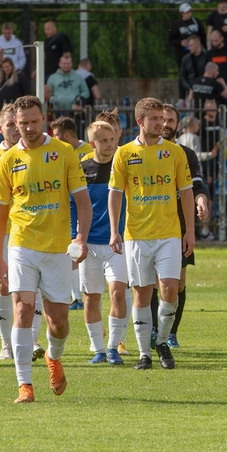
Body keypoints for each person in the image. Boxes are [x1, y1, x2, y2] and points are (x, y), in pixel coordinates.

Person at [0, 95, 91, 403]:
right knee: (21, 308)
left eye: (34, 121)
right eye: (23, 123)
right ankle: (25, 385)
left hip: (58, 249)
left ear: (43, 118)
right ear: (15, 124)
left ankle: (53, 357)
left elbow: (83, 203)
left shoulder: (63, 153)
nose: (29, 128)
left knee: (58, 323)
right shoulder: (8, 160)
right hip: (21, 244)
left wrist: (81, 238)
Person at [108, 98, 194, 370]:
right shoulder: (123, 153)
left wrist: (189, 230)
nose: (161, 123)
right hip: (136, 235)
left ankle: (163, 341)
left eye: (163, 118)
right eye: (155, 118)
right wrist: (114, 230)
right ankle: (144, 353)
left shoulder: (175, 152)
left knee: (170, 289)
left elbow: (187, 193)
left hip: (169, 234)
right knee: (142, 294)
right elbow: (115, 194)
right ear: (140, 121)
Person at [0, 104, 45, 361]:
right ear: (1, 127)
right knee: (4, 286)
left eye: (18, 124)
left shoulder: (35, 151)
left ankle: (32, 341)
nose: (16, 130)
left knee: (33, 287)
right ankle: (6, 345)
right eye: (10, 125)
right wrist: (1, 167)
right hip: (3, 229)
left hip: (32, 227)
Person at [150, 105, 210, 349]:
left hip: (179, 226)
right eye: (161, 119)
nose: (165, 124)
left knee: (178, 283)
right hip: (149, 225)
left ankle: (171, 331)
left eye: (170, 120)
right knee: (152, 283)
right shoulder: (143, 152)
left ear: (178, 125)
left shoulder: (186, 154)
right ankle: (154, 330)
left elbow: (196, 187)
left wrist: (201, 201)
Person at [74, 120, 128, 365]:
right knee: (91, 298)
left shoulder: (124, 165)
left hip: (117, 243)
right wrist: (76, 239)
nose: (109, 144)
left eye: (112, 139)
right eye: (103, 140)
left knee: (118, 293)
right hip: (89, 244)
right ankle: (97, 349)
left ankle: (113, 347)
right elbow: (73, 206)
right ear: (92, 143)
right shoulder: (81, 169)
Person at [51, 115, 94, 311]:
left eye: (57, 136)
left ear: (66, 136)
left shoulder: (89, 151)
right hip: (66, 207)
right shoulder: (56, 152)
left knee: (85, 249)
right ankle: (76, 297)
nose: (54, 140)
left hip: (87, 207)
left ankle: (84, 293)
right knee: (71, 250)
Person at [168, 3, 206, 71]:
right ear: (182, 13)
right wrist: (180, 43)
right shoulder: (176, 25)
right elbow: (171, 40)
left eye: (189, 11)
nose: (189, 14)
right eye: (186, 12)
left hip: (197, 51)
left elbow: (203, 35)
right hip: (183, 52)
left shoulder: (196, 22)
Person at [180, 35, 209, 103]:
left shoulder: (207, 56)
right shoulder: (186, 59)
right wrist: (189, 87)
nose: (189, 48)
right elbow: (182, 76)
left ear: (198, 44)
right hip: (191, 89)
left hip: (205, 89)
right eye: (188, 46)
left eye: (191, 45)